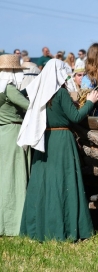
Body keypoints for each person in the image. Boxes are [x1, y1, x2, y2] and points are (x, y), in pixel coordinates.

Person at [18, 59, 98, 242]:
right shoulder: (60, 93)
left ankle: (38, 229)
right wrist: (90, 102)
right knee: (64, 183)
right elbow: (76, 116)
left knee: (43, 185)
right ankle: (64, 228)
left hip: (44, 140)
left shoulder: (40, 93)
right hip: (62, 141)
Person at [0, 54, 31, 236]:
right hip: (12, 136)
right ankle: (14, 224)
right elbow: (29, 106)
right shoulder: (9, 89)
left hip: (3, 134)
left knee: (4, 179)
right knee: (14, 180)